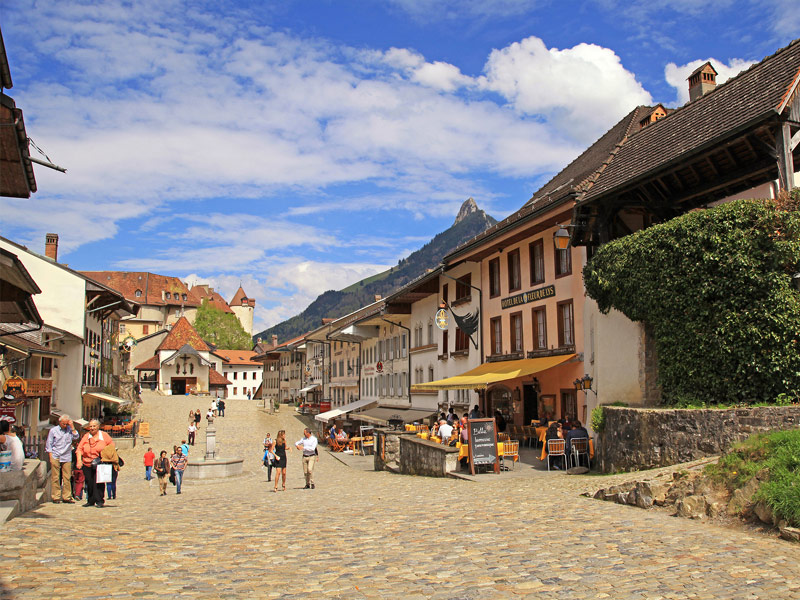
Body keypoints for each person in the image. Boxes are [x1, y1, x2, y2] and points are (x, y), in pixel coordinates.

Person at [76, 419, 114, 508]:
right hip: (87, 462)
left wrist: (106, 456)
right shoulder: (86, 436)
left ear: (98, 427)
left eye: (94, 426)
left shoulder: (104, 436)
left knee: (99, 482)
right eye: (91, 426)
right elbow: (79, 449)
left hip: (100, 462)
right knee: (89, 482)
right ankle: (90, 500)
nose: (92, 428)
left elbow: (111, 446)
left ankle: (99, 500)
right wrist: (79, 460)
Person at [45, 414, 79, 503]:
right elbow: (49, 443)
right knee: (55, 477)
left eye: (66, 424)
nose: (65, 426)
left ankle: (67, 496)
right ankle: (56, 496)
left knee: (67, 477)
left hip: (66, 455)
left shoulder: (69, 430)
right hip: (56, 455)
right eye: (63, 424)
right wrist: (50, 456)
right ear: (60, 422)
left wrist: (72, 427)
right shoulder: (53, 430)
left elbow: (76, 437)